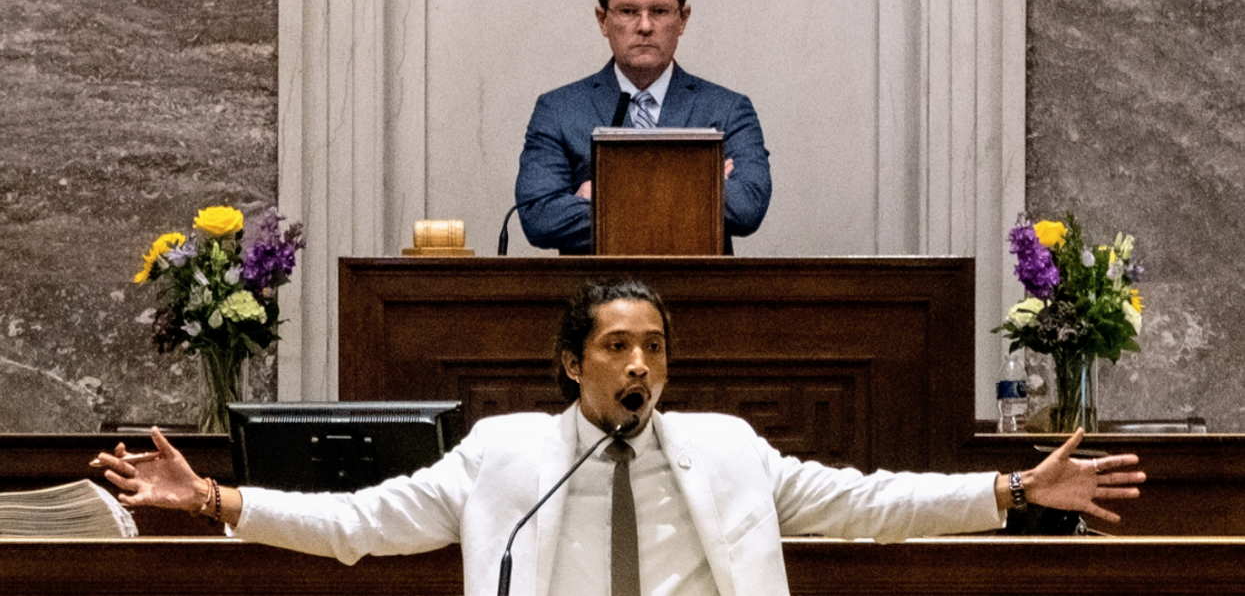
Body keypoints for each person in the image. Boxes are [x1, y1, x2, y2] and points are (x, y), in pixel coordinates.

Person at [95, 279, 1145, 596]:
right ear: (572, 361)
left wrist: (1013, 491)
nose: (638, 364)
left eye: (653, 347)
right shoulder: (505, 454)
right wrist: (215, 498)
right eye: (615, 345)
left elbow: (871, 501)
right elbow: (360, 524)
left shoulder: (728, 446)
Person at [515, 0, 772, 254]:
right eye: (628, 11)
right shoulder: (559, 110)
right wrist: (700, 185)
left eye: (659, 11)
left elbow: (746, 208)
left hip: (695, 285)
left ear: (682, 19)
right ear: (602, 20)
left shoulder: (727, 110)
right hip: (597, 286)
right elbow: (540, 217)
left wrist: (607, 195)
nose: (645, 26)